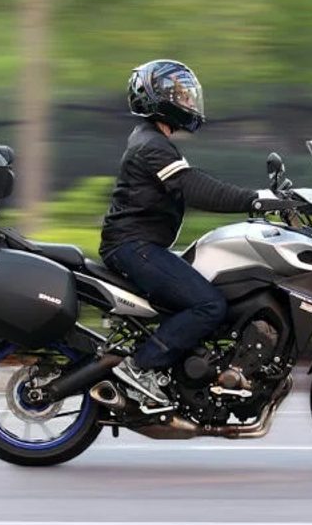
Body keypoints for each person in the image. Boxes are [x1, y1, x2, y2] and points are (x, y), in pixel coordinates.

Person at [99, 59, 261, 405]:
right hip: (133, 247)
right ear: (157, 98)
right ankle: (140, 367)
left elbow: (190, 183)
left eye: (188, 95)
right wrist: (256, 200)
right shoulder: (152, 145)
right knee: (209, 305)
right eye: (181, 96)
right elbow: (195, 187)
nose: (189, 102)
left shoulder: (152, 140)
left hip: (139, 245)